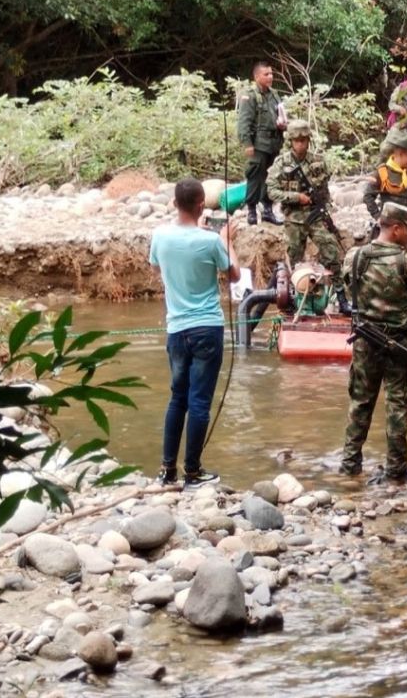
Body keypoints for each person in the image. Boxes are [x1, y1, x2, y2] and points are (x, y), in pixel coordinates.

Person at [149, 178, 240, 487]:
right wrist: (226, 239)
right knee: (199, 401)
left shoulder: (160, 236)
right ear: (202, 206)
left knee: (178, 399)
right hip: (207, 329)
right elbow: (235, 274)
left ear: (175, 204)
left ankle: (166, 471)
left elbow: (155, 265)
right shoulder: (210, 240)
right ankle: (193, 471)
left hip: (176, 330)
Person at [340, 202, 407, 483]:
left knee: (360, 402)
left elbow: (351, 290)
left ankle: (349, 465)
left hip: (364, 342)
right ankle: (396, 470)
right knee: (398, 405)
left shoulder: (355, 257)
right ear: (396, 229)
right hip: (401, 345)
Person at [267, 119, 351, 314]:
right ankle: (293, 300)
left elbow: (324, 189)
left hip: (315, 217)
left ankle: (341, 298)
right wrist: (297, 197)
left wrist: (324, 206)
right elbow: (272, 191)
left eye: (304, 140)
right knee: (294, 260)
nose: (301, 144)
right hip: (294, 218)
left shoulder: (318, 161)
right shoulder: (282, 163)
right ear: (291, 142)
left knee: (332, 252)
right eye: (297, 140)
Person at [363, 130, 407, 255]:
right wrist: (377, 216)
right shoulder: (382, 173)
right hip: (391, 231)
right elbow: (368, 196)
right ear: (400, 154)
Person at [237, 61, 286, 226]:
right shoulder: (249, 95)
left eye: (271, 74)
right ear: (257, 76)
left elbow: (280, 114)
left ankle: (267, 210)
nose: (270, 77)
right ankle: (251, 210)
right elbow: (244, 122)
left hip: (274, 142)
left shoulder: (274, 94)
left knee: (271, 177)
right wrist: (247, 144)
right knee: (255, 176)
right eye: (266, 74)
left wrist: (283, 124)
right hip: (258, 143)